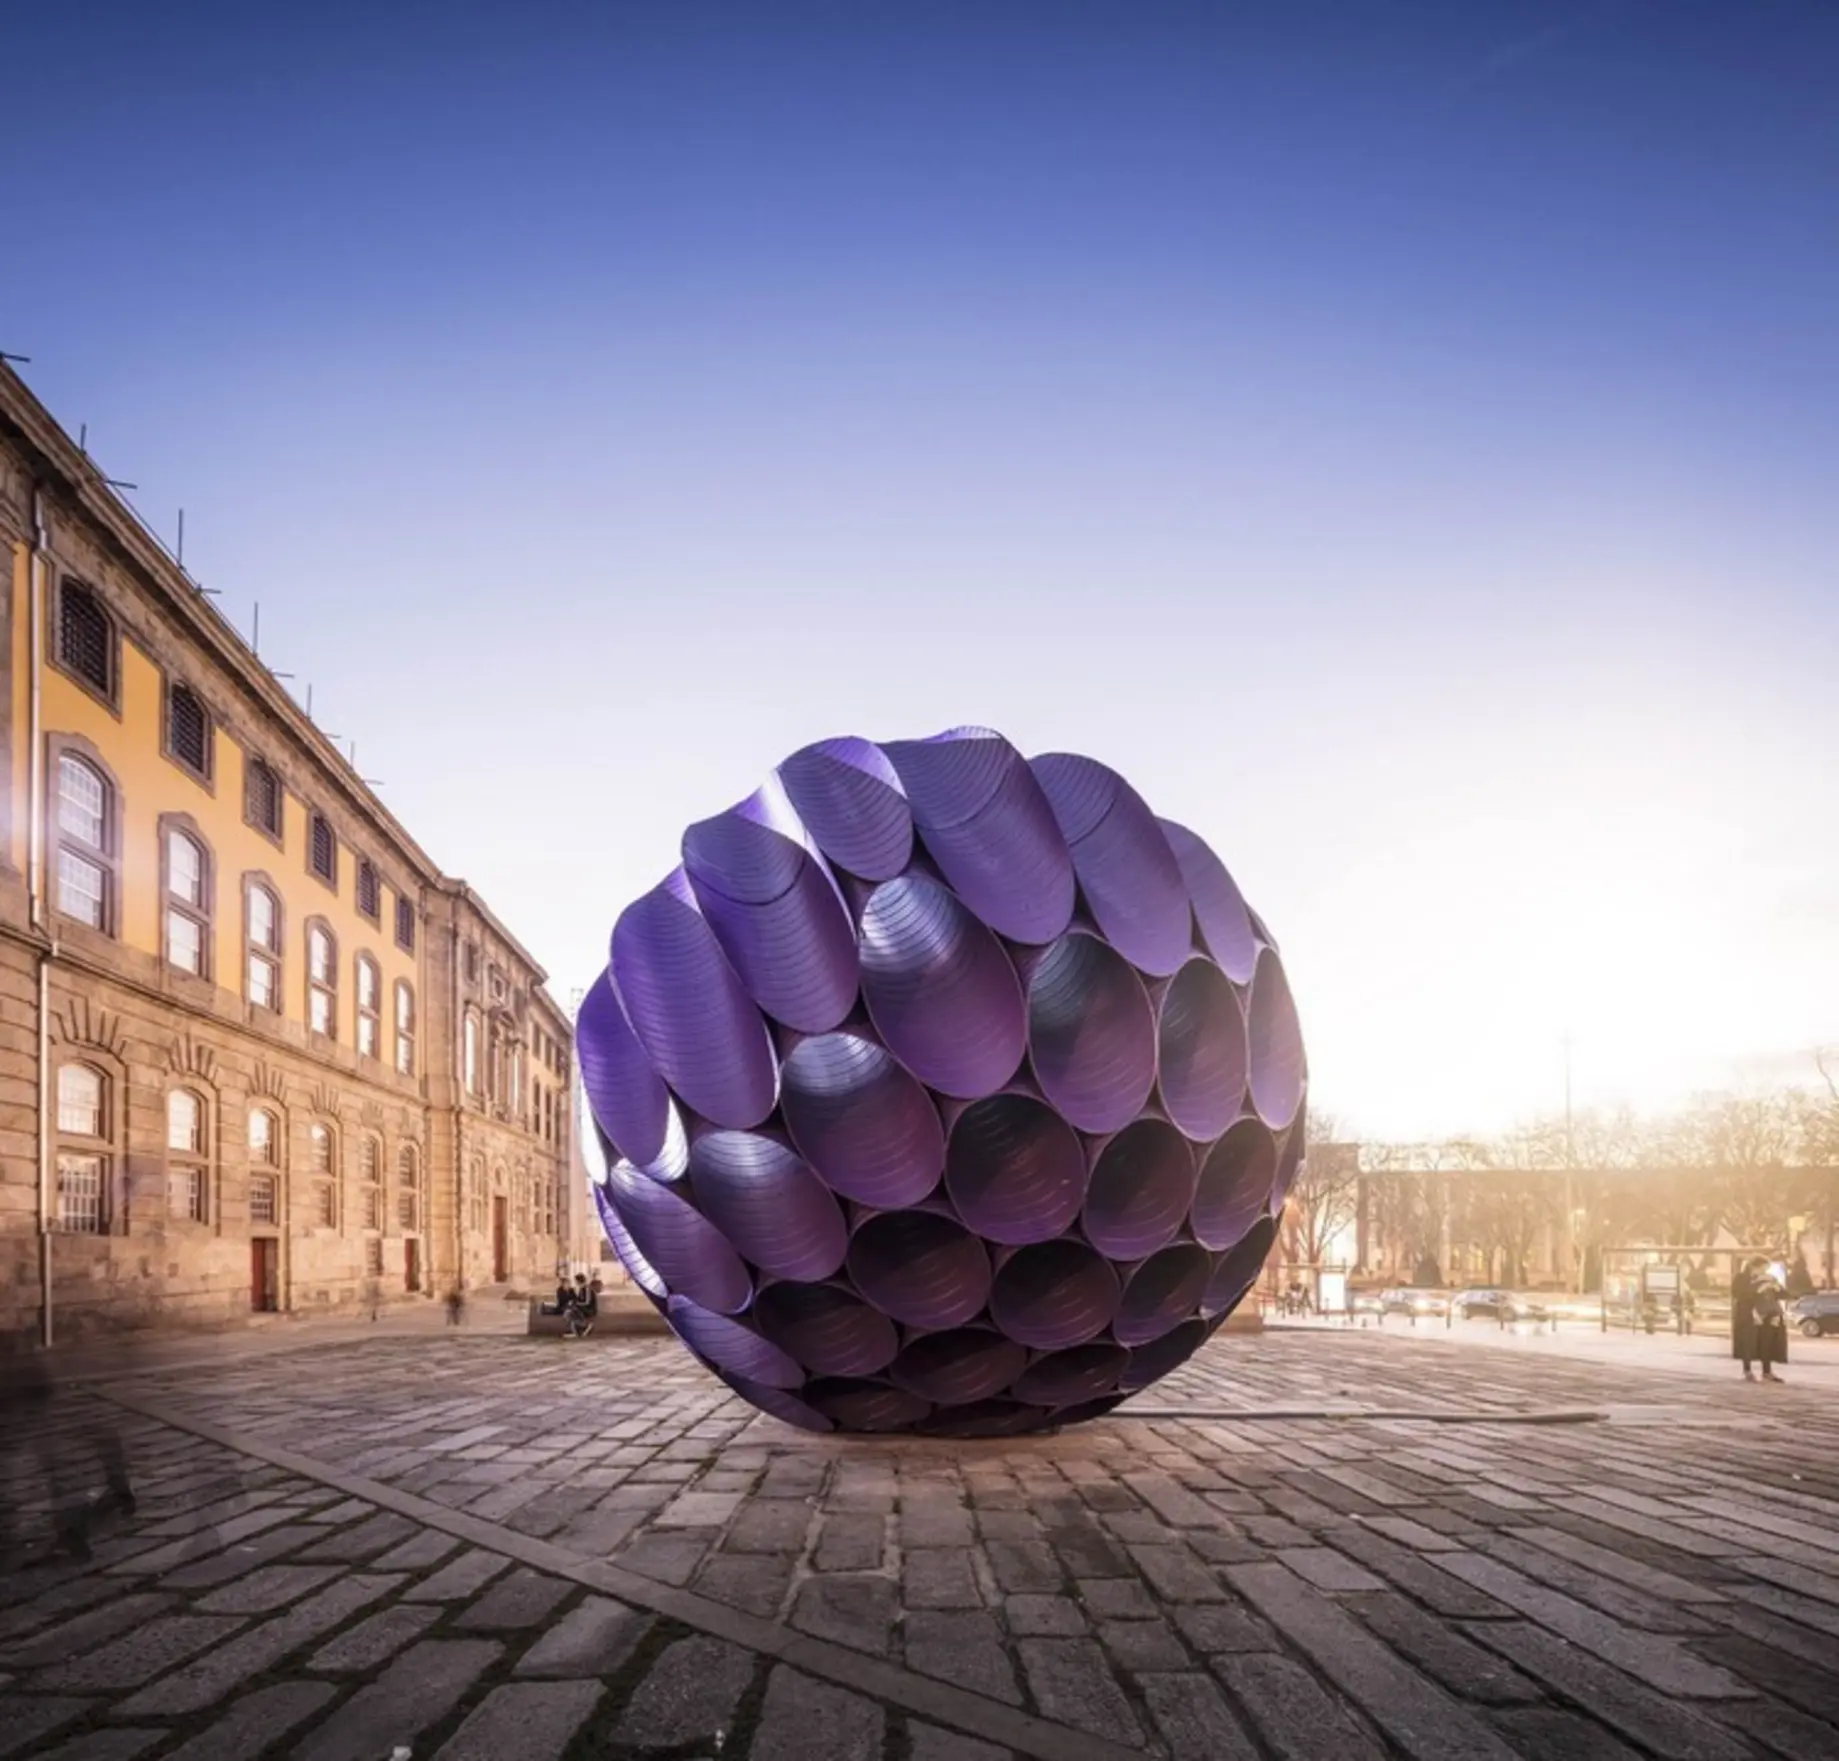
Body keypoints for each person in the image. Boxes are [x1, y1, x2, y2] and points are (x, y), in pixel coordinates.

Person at [1750, 1268, 1789, 1384]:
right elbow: (1750, 1297)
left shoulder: (1772, 1284)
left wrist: (1777, 1287)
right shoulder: (1754, 1284)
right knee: (1764, 1345)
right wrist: (1761, 1288)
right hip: (1762, 1317)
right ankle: (1764, 1371)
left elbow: (1785, 1295)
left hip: (1774, 1316)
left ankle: (1767, 1371)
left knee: (1771, 1345)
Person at [1732, 1257, 1759, 1379]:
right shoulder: (1749, 1280)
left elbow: (1734, 1293)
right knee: (1748, 1341)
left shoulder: (1742, 1278)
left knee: (1747, 1342)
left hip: (1744, 1313)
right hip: (1748, 1313)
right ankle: (1748, 1369)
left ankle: (1747, 1369)